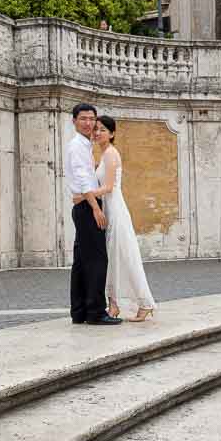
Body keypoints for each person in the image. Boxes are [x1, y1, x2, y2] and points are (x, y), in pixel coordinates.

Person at [74, 116, 156, 322]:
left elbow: (109, 187)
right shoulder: (102, 155)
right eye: (96, 130)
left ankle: (144, 304)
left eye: (102, 130)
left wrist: (86, 194)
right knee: (110, 259)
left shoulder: (110, 154)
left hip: (114, 209)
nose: (97, 133)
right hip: (107, 208)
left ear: (112, 134)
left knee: (124, 257)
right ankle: (114, 304)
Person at [65, 104, 122, 326]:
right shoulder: (78, 146)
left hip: (83, 205)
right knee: (97, 260)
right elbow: (81, 179)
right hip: (89, 207)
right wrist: (96, 208)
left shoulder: (85, 145)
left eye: (92, 119)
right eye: (83, 119)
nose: (89, 123)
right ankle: (96, 312)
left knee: (81, 261)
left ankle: (79, 311)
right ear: (74, 121)